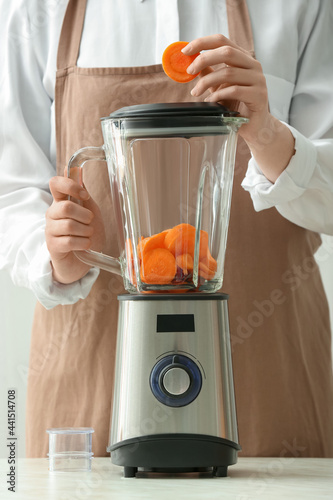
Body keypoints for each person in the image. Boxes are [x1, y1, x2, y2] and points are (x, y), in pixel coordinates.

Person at [1, 0, 333, 459]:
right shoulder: (33, 9)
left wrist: (268, 133)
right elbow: (10, 191)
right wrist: (54, 252)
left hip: (270, 379)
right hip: (89, 379)